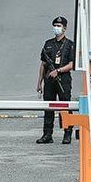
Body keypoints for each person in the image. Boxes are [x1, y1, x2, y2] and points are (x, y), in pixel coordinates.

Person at [36, 16, 75, 144]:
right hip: (49, 80)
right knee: (48, 107)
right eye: (55, 26)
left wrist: (58, 71)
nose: (56, 28)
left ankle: (67, 133)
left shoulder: (69, 45)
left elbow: (72, 64)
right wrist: (39, 82)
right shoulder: (48, 44)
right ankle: (47, 134)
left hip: (63, 79)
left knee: (65, 106)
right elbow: (43, 64)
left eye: (59, 26)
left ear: (65, 28)